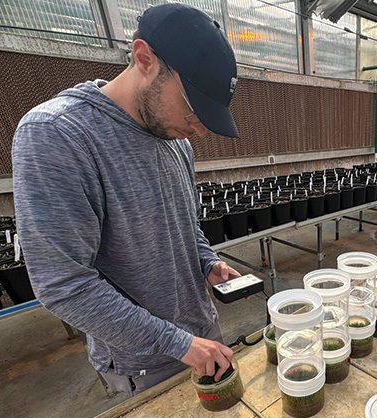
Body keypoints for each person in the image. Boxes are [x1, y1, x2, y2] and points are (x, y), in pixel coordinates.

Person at [12, 4, 242, 396]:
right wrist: (177, 343)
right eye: (193, 108)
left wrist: (208, 262)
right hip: (146, 360)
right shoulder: (58, 136)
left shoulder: (175, 141)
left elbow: (185, 226)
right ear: (144, 59)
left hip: (203, 336)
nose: (199, 129)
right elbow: (63, 284)